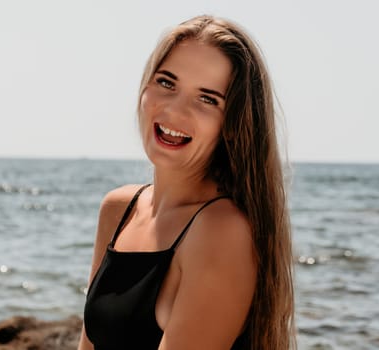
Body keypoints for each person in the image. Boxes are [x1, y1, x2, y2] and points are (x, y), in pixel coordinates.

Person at [77, 15, 295, 350]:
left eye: (208, 98)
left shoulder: (221, 231)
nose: (175, 110)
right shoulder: (119, 209)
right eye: (166, 82)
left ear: (234, 124)